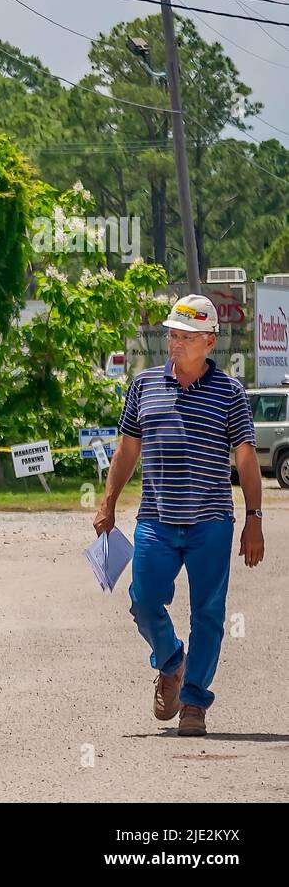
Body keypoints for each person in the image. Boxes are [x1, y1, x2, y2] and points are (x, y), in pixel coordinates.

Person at [94, 294, 264, 737]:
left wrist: (255, 518)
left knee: (208, 613)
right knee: (143, 599)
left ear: (209, 341)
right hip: (155, 518)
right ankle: (171, 661)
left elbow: (245, 458)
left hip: (211, 522)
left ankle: (194, 703)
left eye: (185, 337)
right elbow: (128, 448)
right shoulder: (144, 384)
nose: (175, 343)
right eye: (171, 334)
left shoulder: (230, 393)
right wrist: (108, 502)